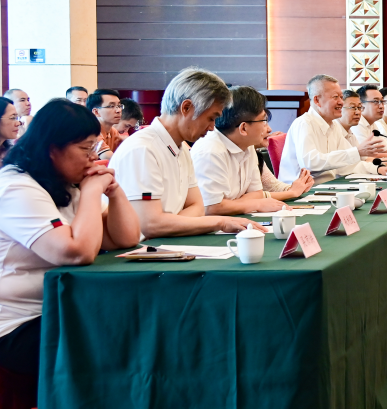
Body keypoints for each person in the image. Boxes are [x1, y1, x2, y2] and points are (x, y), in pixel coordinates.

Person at [0, 100, 140, 376]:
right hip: (20, 323)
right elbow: (76, 252)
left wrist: (114, 191)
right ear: (53, 149)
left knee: (139, 329)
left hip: (63, 309)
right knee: (123, 347)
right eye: (86, 149)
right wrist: (91, 192)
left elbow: (124, 239)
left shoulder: (65, 183)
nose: (92, 158)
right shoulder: (16, 187)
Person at [112, 68, 260, 237]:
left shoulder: (181, 149)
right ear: (186, 107)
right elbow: (149, 225)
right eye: (211, 118)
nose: (212, 127)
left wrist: (169, 222)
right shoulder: (142, 149)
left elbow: (198, 207)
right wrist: (220, 222)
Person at [192, 86, 309, 215]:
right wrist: (256, 204)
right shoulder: (210, 151)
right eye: (264, 121)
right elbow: (211, 208)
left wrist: (234, 203)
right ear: (243, 128)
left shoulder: (247, 145)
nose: (269, 129)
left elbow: (256, 193)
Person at [278, 75, 387, 184]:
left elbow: (347, 165)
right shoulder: (304, 123)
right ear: (317, 100)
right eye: (335, 97)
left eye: (341, 97)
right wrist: (357, 151)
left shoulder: (334, 126)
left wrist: (378, 169)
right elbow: (310, 163)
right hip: (302, 191)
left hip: (327, 187)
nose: (341, 102)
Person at [86, 88, 123, 161]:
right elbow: (110, 158)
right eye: (111, 106)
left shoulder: (113, 131)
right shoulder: (91, 131)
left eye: (119, 106)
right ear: (96, 112)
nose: (118, 110)